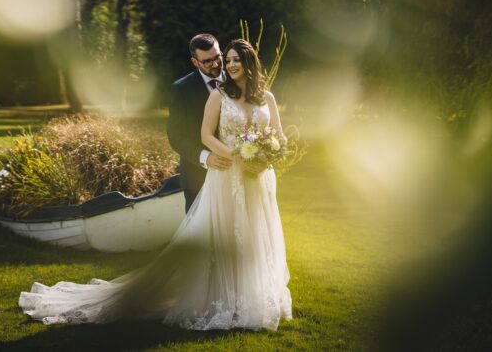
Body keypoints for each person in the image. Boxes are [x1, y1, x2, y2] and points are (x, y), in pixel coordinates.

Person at [18, 38, 292, 331]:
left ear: (251, 62)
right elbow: (198, 135)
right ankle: (218, 298)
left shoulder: (267, 97)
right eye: (225, 60)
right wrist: (232, 156)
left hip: (258, 179)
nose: (225, 65)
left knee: (254, 235)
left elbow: (278, 137)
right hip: (223, 176)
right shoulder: (214, 94)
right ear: (195, 62)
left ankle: (251, 298)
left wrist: (267, 155)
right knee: (215, 237)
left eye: (231, 59)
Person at [167, 33, 231, 212]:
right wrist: (205, 157)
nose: (216, 64)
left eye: (218, 57)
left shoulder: (237, 81)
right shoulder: (181, 89)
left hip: (235, 174)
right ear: (195, 62)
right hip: (198, 177)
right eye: (207, 62)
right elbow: (175, 136)